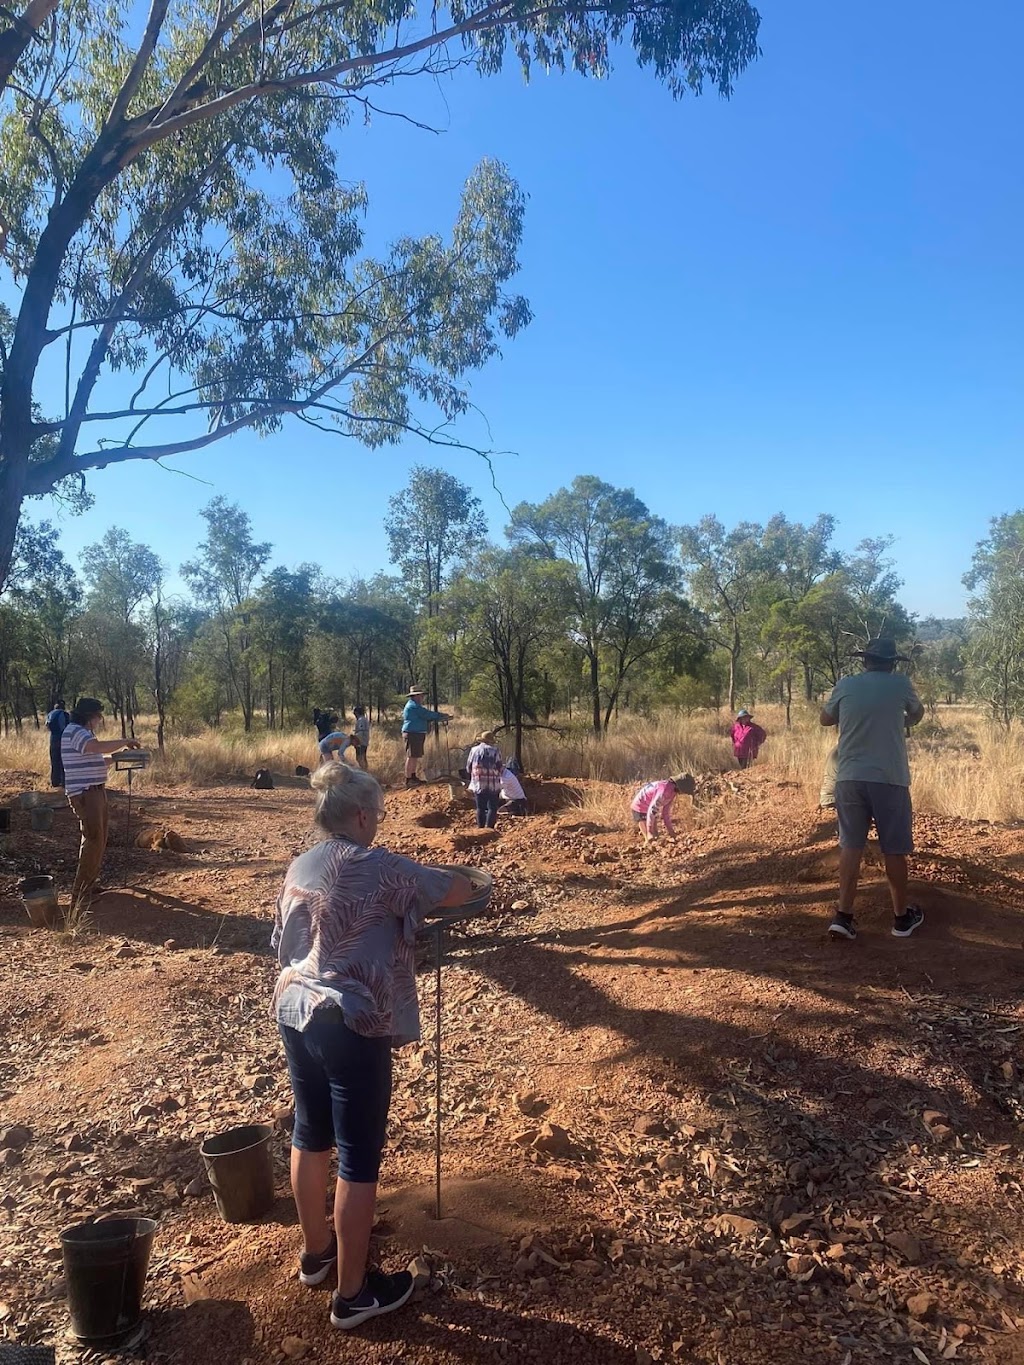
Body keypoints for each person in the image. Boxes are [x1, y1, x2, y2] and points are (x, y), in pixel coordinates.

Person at [272, 762, 472, 1330]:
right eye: (378, 814)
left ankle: (317, 1256)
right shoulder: (381, 867)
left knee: (309, 1133)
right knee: (359, 1158)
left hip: (294, 1010)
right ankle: (353, 1295)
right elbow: (450, 887)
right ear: (361, 815)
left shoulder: (302, 861)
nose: (379, 823)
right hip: (349, 1022)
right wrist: (478, 881)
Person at [820, 637, 925, 942]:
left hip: (849, 777)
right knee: (893, 848)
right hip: (889, 778)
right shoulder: (901, 685)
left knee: (851, 845)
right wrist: (900, 719)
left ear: (864, 660)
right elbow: (917, 715)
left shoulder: (846, 684)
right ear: (892, 663)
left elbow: (825, 719)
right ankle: (901, 920)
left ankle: (843, 916)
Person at [60, 697, 140, 914]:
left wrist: (117, 757)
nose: (100, 719)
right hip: (86, 795)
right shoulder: (75, 731)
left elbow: (96, 758)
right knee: (94, 840)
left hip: (95, 792)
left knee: (99, 839)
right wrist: (124, 740)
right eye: (98, 715)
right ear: (89, 716)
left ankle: (89, 885)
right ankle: (80, 894)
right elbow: (94, 748)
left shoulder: (85, 734)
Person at [401, 687, 450, 786]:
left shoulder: (414, 705)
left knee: (414, 756)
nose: (422, 697)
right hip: (413, 733)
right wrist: (441, 715)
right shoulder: (413, 706)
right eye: (420, 695)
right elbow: (426, 714)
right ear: (415, 696)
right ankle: (409, 779)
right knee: (411, 756)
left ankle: (412, 776)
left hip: (416, 733)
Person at [630, 773, 696, 843]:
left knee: (656, 837)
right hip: (640, 806)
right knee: (649, 839)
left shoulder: (672, 792)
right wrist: (649, 832)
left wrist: (671, 832)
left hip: (649, 808)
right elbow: (652, 809)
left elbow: (665, 813)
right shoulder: (664, 790)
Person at [466, 731, 503, 828]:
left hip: (479, 783)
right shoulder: (495, 751)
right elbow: (499, 767)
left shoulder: (474, 750)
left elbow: (468, 767)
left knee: (480, 808)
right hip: (493, 784)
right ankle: (489, 829)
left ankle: (480, 828)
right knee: (492, 808)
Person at [45, 699, 70, 788]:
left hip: (53, 739)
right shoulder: (65, 714)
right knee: (63, 761)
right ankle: (64, 783)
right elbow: (67, 728)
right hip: (63, 740)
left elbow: (47, 726)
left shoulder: (50, 714)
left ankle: (55, 782)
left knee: (54, 760)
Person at [352, 706, 370, 771]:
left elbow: (361, 732)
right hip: (363, 741)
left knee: (360, 757)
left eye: (355, 713)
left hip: (361, 742)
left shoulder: (361, 720)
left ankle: (364, 770)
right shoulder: (363, 719)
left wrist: (355, 739)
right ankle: (365, 770)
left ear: (357, 713)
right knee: (362, 756)